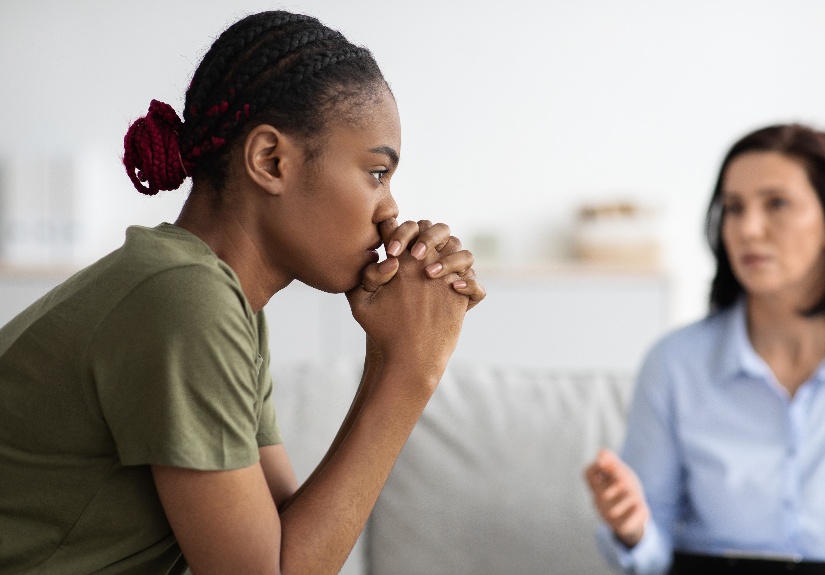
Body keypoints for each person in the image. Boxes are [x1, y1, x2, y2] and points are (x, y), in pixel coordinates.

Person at [0, 10, 485, 574]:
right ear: (269, 161)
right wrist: (412, 371)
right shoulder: (185, 301)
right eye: (377, 173)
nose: (390, 208)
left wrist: (388, 357)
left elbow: (288, 545)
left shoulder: (218, 301)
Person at [584, 124, 825, 575]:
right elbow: (653, 553)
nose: (747, 229)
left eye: (777, 204)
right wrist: (634, 529)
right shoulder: (673, 365)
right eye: (734, 208)